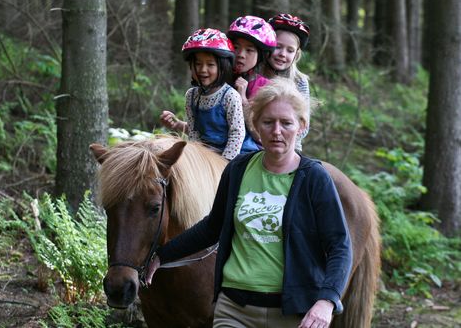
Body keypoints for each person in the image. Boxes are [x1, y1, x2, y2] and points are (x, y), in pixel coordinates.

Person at [148, 77, 353, 328]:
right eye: (268, 122)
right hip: (235, 309)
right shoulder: (238, 169)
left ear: (301, 126)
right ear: (255, 125)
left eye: (286, 123)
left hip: (293, 313)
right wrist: (162, 255)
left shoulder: (314, 178)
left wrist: (327, 300)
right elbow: (213, 227)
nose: (276, 131)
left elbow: (339, 246)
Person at [160, 28, 258, 160]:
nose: (203, 70)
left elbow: (237, 133)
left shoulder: (230, 96)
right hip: (207, 153)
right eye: (198, 64)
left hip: (233, 154)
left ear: (223, 67)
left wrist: (225, 162)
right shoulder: (191, 95)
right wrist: (197, 156)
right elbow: (194, 131)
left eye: (210, 64)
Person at [265, 13, 311, 151]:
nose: (283, 54)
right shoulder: (255, 75)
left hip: (288, 145)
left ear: (296, 55)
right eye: (278, 47)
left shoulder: (299, 82)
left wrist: (282, 138)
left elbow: (304, 124)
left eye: (290, 50)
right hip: (253, 140)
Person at [227, 15, 277, 104]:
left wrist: (243, 100)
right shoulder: (218, 80)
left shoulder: (267, 88)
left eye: (249, 50)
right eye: (236, 47)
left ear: (260, 56)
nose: (241, 55)